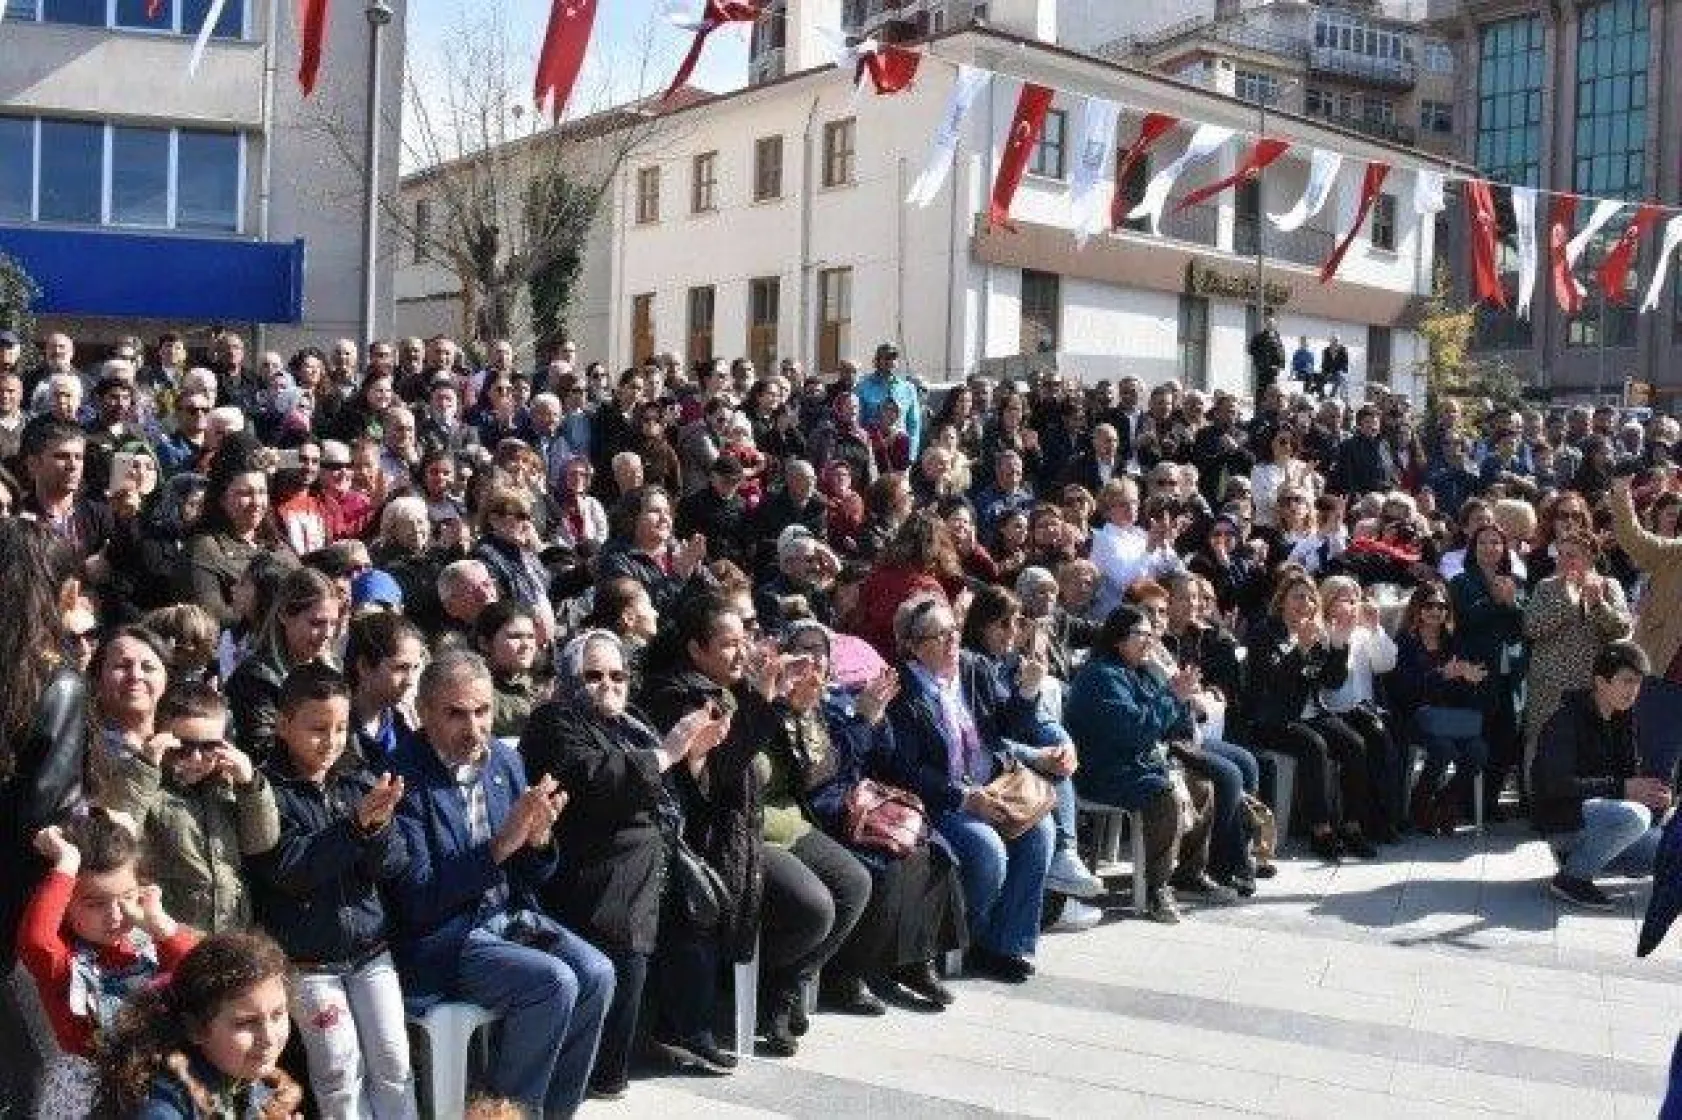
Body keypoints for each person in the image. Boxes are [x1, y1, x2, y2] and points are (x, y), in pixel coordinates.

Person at [387, 650, 614, 1117]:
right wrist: (500, 847)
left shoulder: (503, 763)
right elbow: (417, 896)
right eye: (455, 713)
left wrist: (539, 841)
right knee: (553, 983)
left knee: (598, 973)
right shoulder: (401, 778)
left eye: (482, 711)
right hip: (444, 936)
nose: (473, 727)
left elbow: (535, 874)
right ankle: (504, 1113)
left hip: (507, 917)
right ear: (424, 713)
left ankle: (550, 1112)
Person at [520, 629, 735, 1095]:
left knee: (706, 901)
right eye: (593, 675)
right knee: (628, 915)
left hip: (654, 849)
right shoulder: (554, 719)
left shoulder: (633, 720)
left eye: (617, 675)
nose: (608, 685)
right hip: (589, 856)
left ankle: (683, 1030)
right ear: (568, 677)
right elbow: (590, 781)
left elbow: (675, 793)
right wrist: (668, 753)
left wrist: (693, 759)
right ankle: (602, 1072)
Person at [246, 664, 416, 1119]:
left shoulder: (359, 779)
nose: (332, 740)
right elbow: (289, 868)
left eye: (341, 727)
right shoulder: (267, 792)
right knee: (339, 1069)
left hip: (370, 951)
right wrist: (356, 828)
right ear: (283, 725)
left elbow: (396, 865)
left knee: (395, 1062)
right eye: (318, 728)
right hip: (307, 962)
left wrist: (377, 828)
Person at [886, 594, 1055, 983]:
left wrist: (1027, 691)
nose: (952, 643)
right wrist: (964, 798)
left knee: (1040, 832)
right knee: (987, 848)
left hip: (993, 786)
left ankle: (1008, 944)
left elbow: (1009, 725)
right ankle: (967, 936)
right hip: (943, 800)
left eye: (954, 632)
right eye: (939, 636)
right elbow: (907, 769)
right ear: (912, 646)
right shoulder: (902, 690)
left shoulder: (973, 669)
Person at [21, 811, 199, 1117]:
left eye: (125, 898)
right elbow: (35, 940)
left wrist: (161, 926)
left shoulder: (152, 946)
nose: (115, 915)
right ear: (65, 905)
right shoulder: (63, 962)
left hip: (161, 1085)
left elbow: (204, 975)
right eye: (95, 904)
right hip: (95, 1095)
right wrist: (67, 862)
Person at [94, 679, 280, 934]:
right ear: (160, 738)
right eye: (183, 746)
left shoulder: (228, 787)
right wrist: (145, 767)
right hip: (168, 931)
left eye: (209, 747)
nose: (196, 758)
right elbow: (116, 833)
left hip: (229, 929)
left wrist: (250, 786)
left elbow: (261, 842)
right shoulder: (145, 784)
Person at [1065, 605, 1209, 923]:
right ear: (1118, 639)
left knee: (1201, 783)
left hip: (1137, 763)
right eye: (1141, 634)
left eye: (1151, 634)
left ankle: (1187, 874)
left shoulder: (1138, 672)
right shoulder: (1102, 676)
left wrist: (1179, 695)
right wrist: (1171, 697)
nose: (1149, 641)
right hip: (1104, 770)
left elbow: (1174, 728)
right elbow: (1136, 732)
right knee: (1165, 795)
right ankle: (1156, 889)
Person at [1242, 572, 1378, 860]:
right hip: (1273, 717)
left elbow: (1332, 681)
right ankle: (1321, 830)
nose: (1305, 603)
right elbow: (1273, 681)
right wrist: (1300, 648)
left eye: (1310, 597)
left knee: (1355, 743)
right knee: (1314, 745)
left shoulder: (1317, 634)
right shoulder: (1263, 633)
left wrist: (1340, 645)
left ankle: (1352, 826)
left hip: (1310, 712)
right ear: (1282, 602)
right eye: (1297, 596)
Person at [90, 931, 301, 1118]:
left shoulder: (238, 1075)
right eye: (246, 1022)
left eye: (278, 1014)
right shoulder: (162, 1108)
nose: (269, 1037)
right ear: (196, 1029)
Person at [1533, 642, 1665, 909]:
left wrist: (1656, 797)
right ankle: (1572, 879)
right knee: (1634, 816)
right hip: (1565, 822)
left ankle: (1594, 859)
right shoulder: (1565, 720)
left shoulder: (1624, 720)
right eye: (1627, 681)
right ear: (1601, 682)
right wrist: (1624, 789)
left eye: (1638, 683)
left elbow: (1628, 783)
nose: (1633, 691)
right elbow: (1557, 785)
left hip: (1609, 822)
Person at [1522, 530, 1632, 776]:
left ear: (1590, 557)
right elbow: (1531, 628)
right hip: (1548, 685)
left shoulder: (1608, 585)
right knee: (1541, 741)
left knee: (1586, 744)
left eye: (1571, 556)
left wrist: (1598, 605)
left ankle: (1581, 802)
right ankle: (1534, 800)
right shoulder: (1546, 587)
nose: (1562, 561)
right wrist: (1568, 603)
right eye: (1559, 555)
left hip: (1589, 684)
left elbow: (1623, 629)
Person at [1391, 584, 1489, 834]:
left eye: (1442, 606)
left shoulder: (1455, 642)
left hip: (1450, 718)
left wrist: (1470, 680)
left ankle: (1446, 800)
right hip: (1415, 717)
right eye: (1429, 605)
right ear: (1418, 608)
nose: (1436, 611)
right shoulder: (1405, 642)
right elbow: (1404, 690)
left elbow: (1464, 695)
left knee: (1478, 750)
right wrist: (1441, 675)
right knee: (1442, 749)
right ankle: (1421, 801)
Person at [225, 567, 343, 762]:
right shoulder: (255, 679)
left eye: (333, 624)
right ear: (284, 615)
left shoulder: (333, 670)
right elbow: (262, 752)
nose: (328, 634)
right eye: (316, 623)